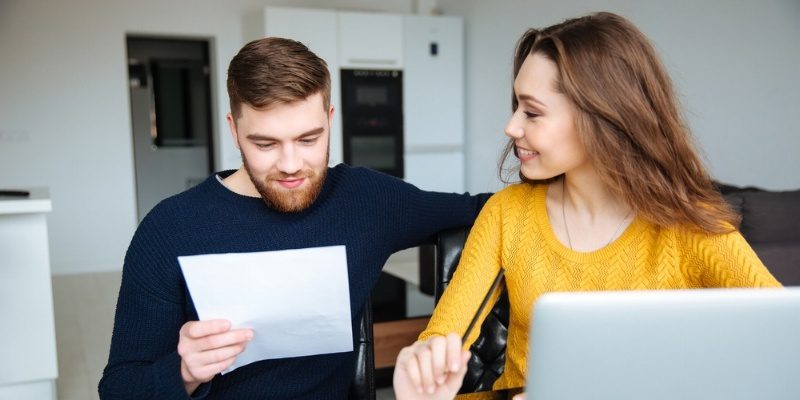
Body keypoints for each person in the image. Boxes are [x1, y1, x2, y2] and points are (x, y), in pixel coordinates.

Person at [392, 11, 782, 400]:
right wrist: (425, 368)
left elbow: (781, 340)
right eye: (516, 106)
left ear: (601, 117)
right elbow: (444, 336)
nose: (511, 127)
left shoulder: (691, 226)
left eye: (532, 112)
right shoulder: (506, 213)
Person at [98, 37, 490, 400]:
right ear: (234, 131)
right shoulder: (170, 229)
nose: (290, 166)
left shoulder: (366, 200)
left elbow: (482, 209)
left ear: (330, 120)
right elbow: (118, 387)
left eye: (308, 139)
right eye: (265, 144)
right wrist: (184, 372)